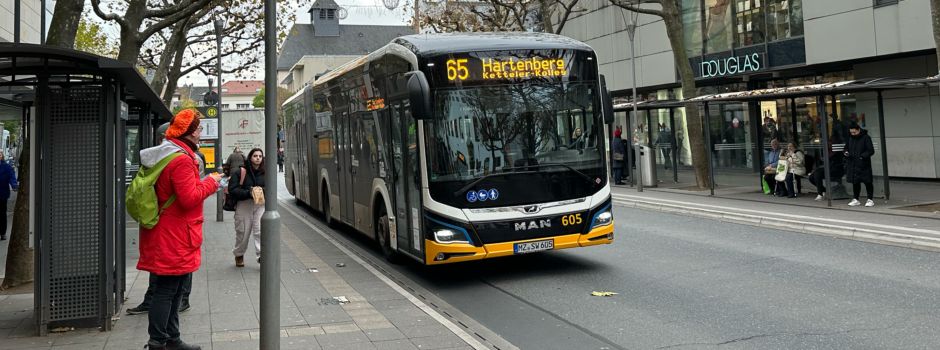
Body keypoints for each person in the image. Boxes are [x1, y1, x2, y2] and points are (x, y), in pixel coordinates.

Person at [137, 109, 221, 350]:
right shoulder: (181, 159)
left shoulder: (168, 154)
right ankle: (158, 342)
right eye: (199, 128)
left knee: (174, 290)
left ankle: (171, 339)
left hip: (171, 232)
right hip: (174, 235)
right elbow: (189, 198)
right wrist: (212, 182)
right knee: (167, 291)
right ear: (191, 132)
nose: (201, 133)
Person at [127, 122, 193, 316]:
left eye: (163, 138)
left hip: (167, 222)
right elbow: (188, 196)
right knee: (169, 275)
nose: (161, 142)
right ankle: (163, 326)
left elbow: (188, 196)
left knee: (172, 276)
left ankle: (177, 303)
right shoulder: (170, 158)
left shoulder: (174, 159)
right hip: (170, 223)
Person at [230, 148, 266, 266]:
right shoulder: (240, 172)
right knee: (243, 232)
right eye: (255, 156)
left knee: (260, 231)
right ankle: (239, 254)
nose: (258, 158)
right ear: (250, 157)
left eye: (260, 156)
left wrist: (261, 191)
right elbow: (233, 190)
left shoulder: (266, 172)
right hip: (244, 204)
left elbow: (271, 188)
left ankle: (261, 255)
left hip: (260, 205)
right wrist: (249, 193)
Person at [845, 123, 875, 207]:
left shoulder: (866, 138)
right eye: (851, 132)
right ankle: (856, 199)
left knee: (867, 182)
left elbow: (871, 150)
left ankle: (870, 199)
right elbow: (846, 148)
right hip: (853, 163)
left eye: (854, 132)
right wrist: (846, 152)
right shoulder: (850, 138)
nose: (853, 134)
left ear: (858, 130)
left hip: (863, 164)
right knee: (855, 182)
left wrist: (862, 157)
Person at [0, 153, 17, 240]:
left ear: (2, 156)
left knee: (2, 214)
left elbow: (11, 176)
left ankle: (2, 233)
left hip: (2, 194)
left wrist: (14, 185)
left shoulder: (6, 167)